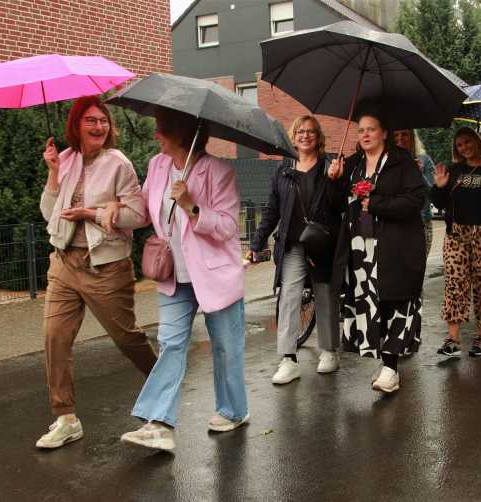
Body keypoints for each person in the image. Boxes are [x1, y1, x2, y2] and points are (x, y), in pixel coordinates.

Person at [119, 107, 248, 452]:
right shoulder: (158, 166)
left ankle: (234, 410)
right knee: (171, 344)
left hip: (214, 275)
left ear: (182, 133)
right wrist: (112, 209)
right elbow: (144, 210)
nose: (155, 135)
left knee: (226, 347)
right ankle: (158, 422)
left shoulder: (219, 171)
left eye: (161, 129)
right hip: (173, 275)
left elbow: (228, 227)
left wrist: (192, 206)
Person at [36, 96, 157, 449]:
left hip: (104, 266)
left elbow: (139, 216)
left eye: (103, 120)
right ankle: (66, 418)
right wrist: (53, 171)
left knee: (128, 339)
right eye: (90, 120)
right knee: (54, 336)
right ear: (76, 125)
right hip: (64, 261)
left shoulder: (118, 163)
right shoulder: (66, 159)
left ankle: (165, 390)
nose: (99, 126)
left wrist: (91, 213)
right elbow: (48, 212)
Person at [326, 108, 427, 393]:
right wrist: (333, 181)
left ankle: (391, 367)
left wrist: (377, 204)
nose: (365, 134)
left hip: (396, 246)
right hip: (360, 247)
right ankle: (386, 363)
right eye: (361, 130)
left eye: (371, 129)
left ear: (384, 133)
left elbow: (416, 200)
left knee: (396, 303)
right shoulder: (353, 164)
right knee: (371, 305)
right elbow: (336, 205)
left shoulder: (401, 161)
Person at [248, 115, 342, 384]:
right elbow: (272, 210)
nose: (305, 135)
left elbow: (339, 205)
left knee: (324, 294)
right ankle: (288, 359)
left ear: (318, 137)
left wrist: (335, 181)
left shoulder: (329, 166)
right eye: (300, 131)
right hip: (293, 243)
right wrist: (257, 242)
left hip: (321, 242)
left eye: (311, 131)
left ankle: (328, 351)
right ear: (294, 136)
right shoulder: (284, 170)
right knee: (289, 296)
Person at [429, 128, 481, 358]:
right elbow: (439, 203)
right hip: (456, 235)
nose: (464, 147)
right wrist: (439, 186)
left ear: (477, 142)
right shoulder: (453, 170)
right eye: (459, 144)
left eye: (467, 142)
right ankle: (453, 339)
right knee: (455, 284)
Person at [393, 129, 436, 258]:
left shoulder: (424, 160)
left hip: (421, 223)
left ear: (412, 137)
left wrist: (419, 174)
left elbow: (432, 194)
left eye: (404, 134)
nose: (400, 138)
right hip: (394, 225)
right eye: (396, 135)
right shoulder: (387, 161)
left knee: (418, 265)